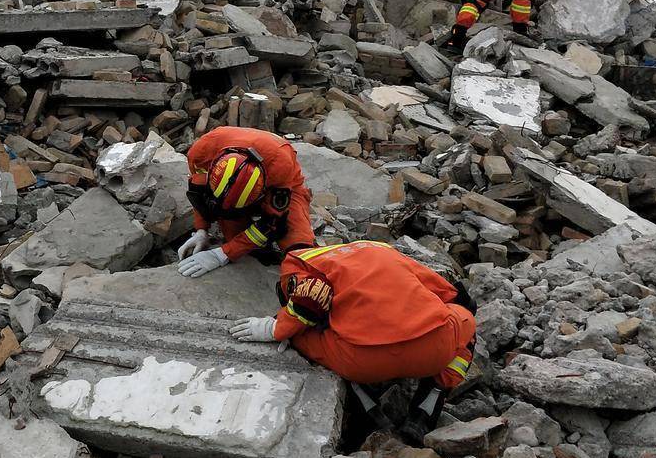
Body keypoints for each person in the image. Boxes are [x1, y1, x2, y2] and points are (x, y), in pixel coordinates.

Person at [229, 240, 477, 442]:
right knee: (465, 322)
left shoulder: (297, 263)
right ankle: (429, 403)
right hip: (433, 349)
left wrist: (275, 327)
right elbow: (457, 297)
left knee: (302, 336)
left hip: (361, 361)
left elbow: (310, 299)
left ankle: (365, 408)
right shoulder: (381, 250)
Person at [176, 127, 315, 278]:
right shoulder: (202, 152)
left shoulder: (281, 168)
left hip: (284, 181)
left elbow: (271, 223)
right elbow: (198, 191)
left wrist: (223, 254)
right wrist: (201, 229)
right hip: (249, 154)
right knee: (235, 238)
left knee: (300, 251)